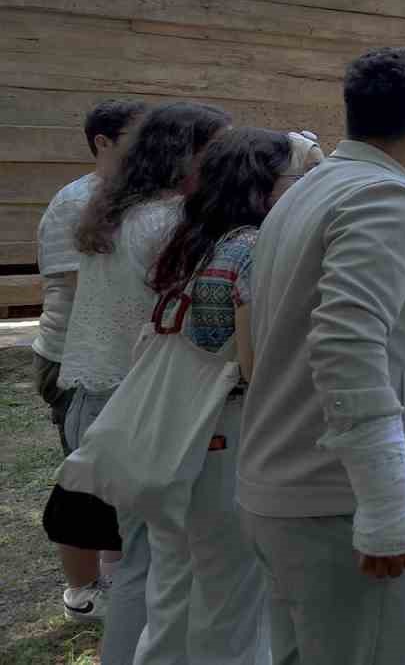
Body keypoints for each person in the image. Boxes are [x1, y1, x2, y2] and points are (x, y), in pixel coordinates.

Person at [238, 48, 405, 665]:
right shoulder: (385, 197)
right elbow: (347, 342)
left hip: (286, 490)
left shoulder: (305, 192)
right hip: (343, 509)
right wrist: (390, 498)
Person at [58, 101, 231, 665]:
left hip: (98, 397)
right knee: (155, 562)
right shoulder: (172, 223)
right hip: (144, 404)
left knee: (142, 559)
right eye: (215, 150)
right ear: (186, 155)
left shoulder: (116, 213)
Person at [137, 128, 318, 664]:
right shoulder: (257, 249)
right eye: (304, 175)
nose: (315, 187)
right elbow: (257, 365)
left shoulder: (194, 239)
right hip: (230, 433)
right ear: (263, 186)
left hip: (177, 430)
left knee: (173, 588)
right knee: (233, 597)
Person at [34, 99, 145, 625]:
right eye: (136, 135)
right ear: (102, 141)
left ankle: (117, 578)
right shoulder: (74, 202)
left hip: (122, 360)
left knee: (119, 478)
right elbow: (90, 291)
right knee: (83, 479)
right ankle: (81, 593)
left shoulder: (137, 198)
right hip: (73, 361)